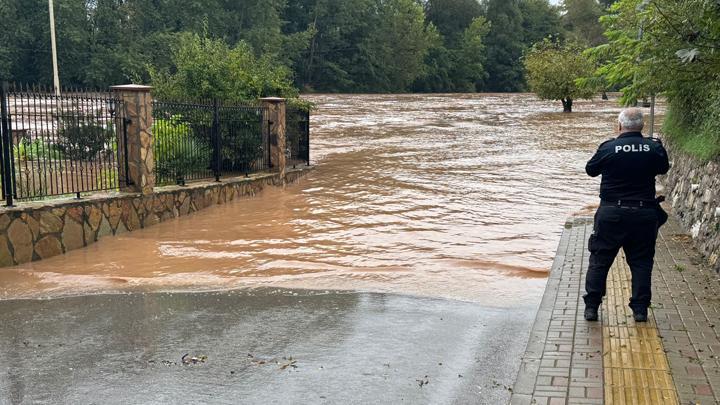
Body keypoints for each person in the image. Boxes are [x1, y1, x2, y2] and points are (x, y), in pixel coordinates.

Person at [583, 108, 670, 322]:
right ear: (641, 126)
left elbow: (590, 170)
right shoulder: (654, 147)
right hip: (644, 214)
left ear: (619, 125)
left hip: (611, 214)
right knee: (641, 262)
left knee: (600, 259)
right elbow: (663, 168)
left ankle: (592, 308)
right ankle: (640, 311)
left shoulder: (609, 147)